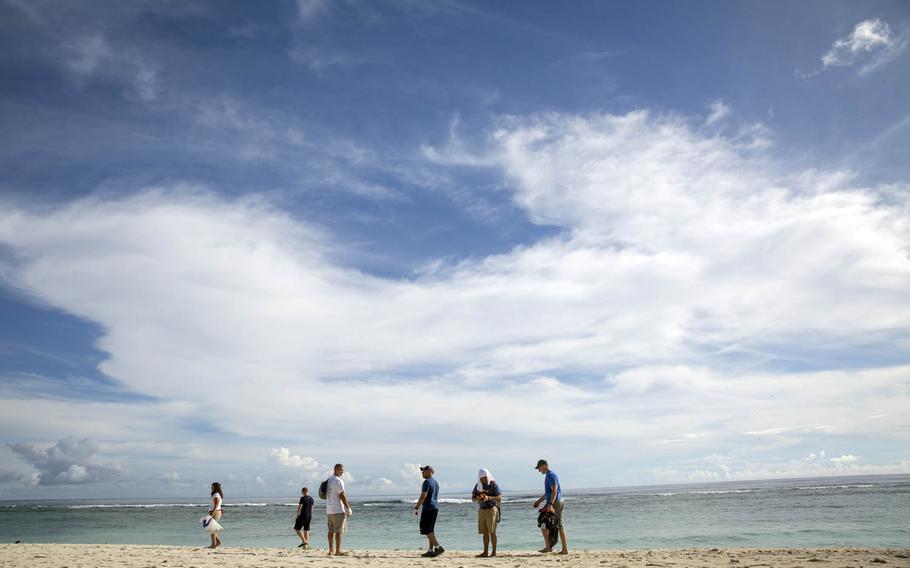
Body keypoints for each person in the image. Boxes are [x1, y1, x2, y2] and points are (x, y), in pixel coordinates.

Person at [532, 459, 568, 554]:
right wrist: (538, 501)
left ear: (544, 466)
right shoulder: (549, 475)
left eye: (539, 468)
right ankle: (562, 549)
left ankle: (550, 548)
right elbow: (548, 493)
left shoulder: (551, 475)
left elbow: (554, 491)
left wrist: (550, 505)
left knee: (544, 523)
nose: (539, 471)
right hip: (557, 501)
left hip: (555, 503)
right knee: (556, 525)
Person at [413, 465, 444, 557]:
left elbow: (423, 496)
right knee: (430, 530)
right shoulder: (436, 482)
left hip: (428, 508)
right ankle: (431, 550)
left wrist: (416, 507)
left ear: (430, 471)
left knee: (425, 529)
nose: (422, 473)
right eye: (422, 471)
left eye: (424, 471)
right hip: (434, 508)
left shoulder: (426, 482)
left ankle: (438, 547)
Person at [471, 468, 501, 558]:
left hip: (491, 509)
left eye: (485, 477)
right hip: (481, 509)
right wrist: (477, 499)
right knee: (484, 532)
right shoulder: (477, 486)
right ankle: (485, 552)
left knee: (492, 532)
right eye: (482, 477)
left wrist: (488, 498)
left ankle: (494, 552)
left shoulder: (493, 485)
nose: (484, 479)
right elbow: (473, 498)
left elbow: (499, 497)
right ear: (479, 478)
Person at [325, 463, 353, 556]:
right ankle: (337, 551)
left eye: (343, 470)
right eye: (341, 470)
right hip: (337, 510)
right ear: (336, 469)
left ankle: (330, 550)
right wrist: (348, 508)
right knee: (339, 532)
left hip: (329, 510)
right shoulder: (338, 481)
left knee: (331, 531)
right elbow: (342, 495)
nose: (342, 472)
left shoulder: (329, 480)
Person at [206, 482, 224, 549]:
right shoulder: (216, 494)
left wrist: (213, 513)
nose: (211, 488)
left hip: (215, 512)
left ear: (215, 488)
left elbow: (216, 505)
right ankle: (218, 542)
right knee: (212, 528)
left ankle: (213, 544)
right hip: (216, 512)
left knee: (212, 528)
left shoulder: (216, 495)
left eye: (212, 487)